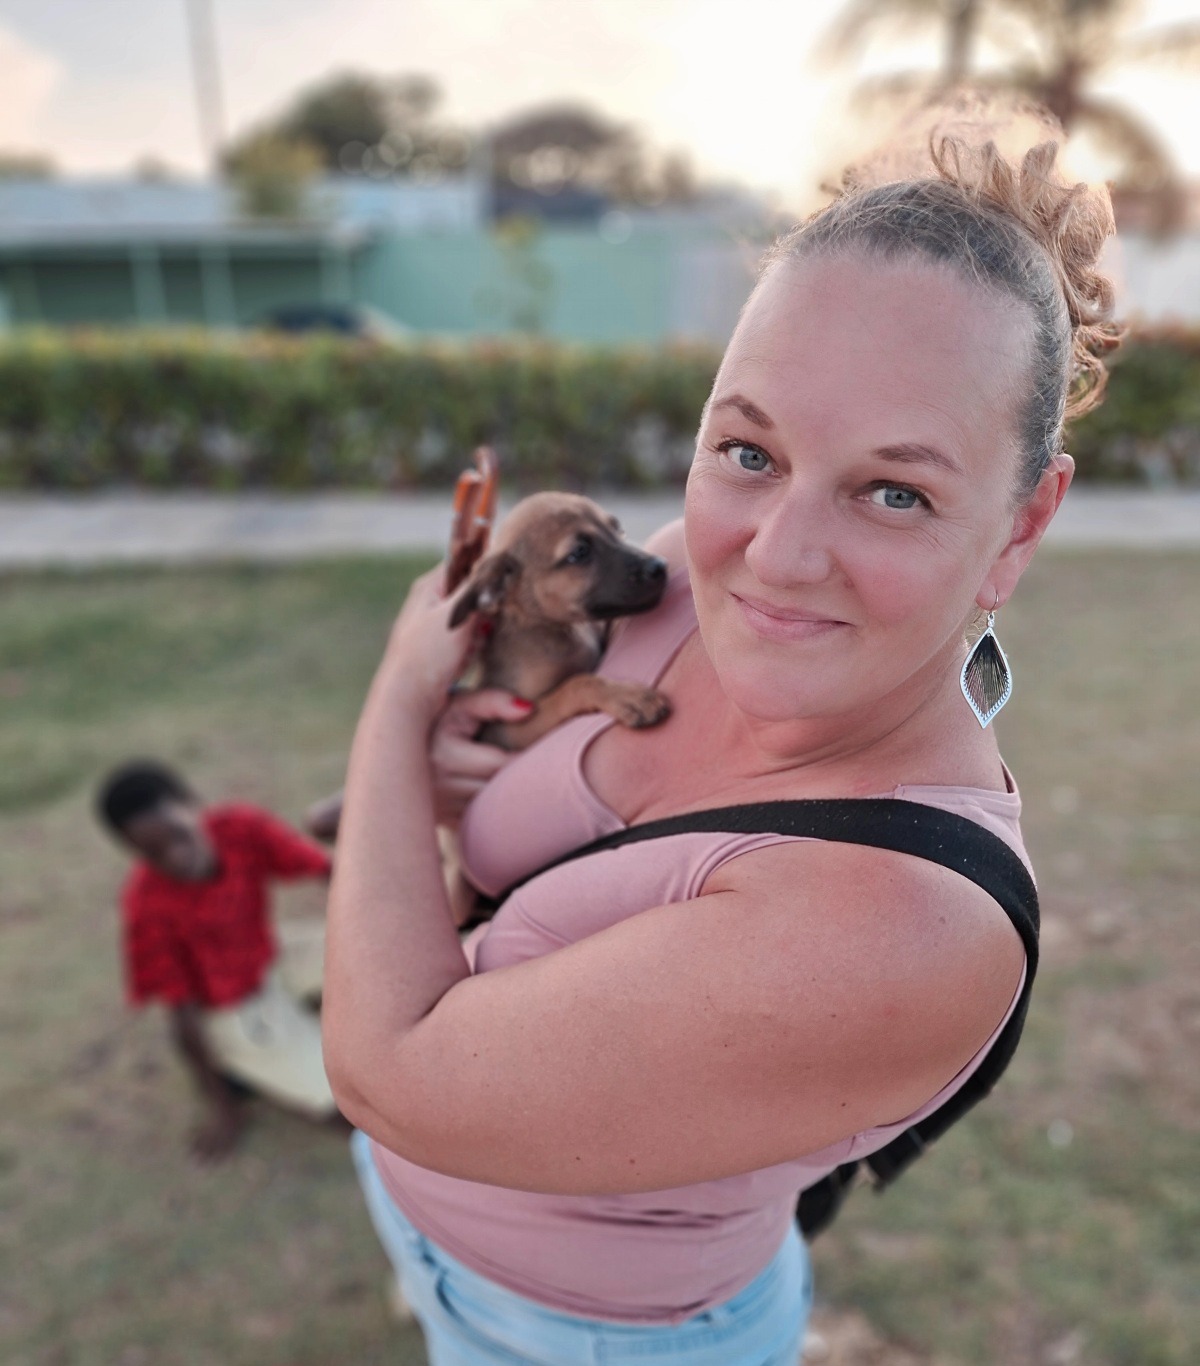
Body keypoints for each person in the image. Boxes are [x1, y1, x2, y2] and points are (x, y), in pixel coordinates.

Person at [322, 124, 1121, 1364]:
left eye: (895, 491)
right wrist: (466, 775)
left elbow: (388, 1070)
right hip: (431, 1243)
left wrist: (395, 695)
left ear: (1021, 526)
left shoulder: (906, 923)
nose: (775, 556)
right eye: (750, 451)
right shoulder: (677, 592)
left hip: (584, 1336)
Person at [97, 759, 339, 1159]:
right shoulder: (146, 906)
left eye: (179, 835)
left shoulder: (240, 828)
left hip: (271, 955)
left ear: (192, 804)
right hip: (233, 1004)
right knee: (348, 1099)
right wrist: (222, 1106)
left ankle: (304, 1017)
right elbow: (181, 1015)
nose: (176, 858)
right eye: (154, 852)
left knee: (381, 961)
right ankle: (240, 1068)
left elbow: (326, 870)